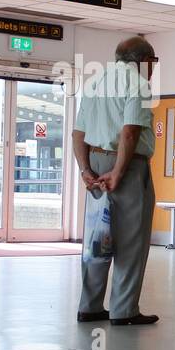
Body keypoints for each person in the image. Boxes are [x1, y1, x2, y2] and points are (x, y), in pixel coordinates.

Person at [71, 35, 159, 326]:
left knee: (98, 237)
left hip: (94, 164)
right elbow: (130, 132)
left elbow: (78, 133)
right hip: (128, 166)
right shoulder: (138, 84)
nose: (153, 67)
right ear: (142, 61)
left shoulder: (95, 83)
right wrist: (118, 173)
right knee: (131, 239)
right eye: (153, 61)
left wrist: (85, 170)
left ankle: (90, 306)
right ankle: (123, 310)